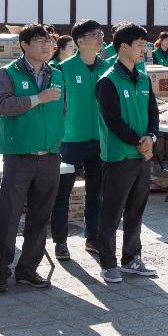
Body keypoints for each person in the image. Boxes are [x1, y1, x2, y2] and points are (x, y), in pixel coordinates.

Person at [0, 24, 64, 292]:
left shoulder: (56, 73)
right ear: (25, 45)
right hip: (20, 155)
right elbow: (3, 106)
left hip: (49, 154)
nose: (46, 46)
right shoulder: (9, 73)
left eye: (49, 41)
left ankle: (28, 269)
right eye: (40, 41)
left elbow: (62, 109)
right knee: (9, 215)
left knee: (41, 216)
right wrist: (37, 99)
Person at [94, 22, 160, 283]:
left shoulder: (143, 77)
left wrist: (151, 137)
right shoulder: (108, 80)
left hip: (141, 156)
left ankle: (132, 258)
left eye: (145, 44)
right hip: (119, 156)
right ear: (123, 47)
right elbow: (113, 120)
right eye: (140, 45)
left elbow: (153, 112)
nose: (145, 50)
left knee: (136, 210)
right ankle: (107, 262)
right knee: (112, 211)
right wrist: (139, 142)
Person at [51, 19, 108, 260]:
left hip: (100, 139)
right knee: (62, 193)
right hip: (70, 140)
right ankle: (61, 241)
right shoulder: (63, 70)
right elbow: (55, 108)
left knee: (97, 194)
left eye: (101, 33)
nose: (100, 37)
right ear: (80, 41)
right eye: (94, 34)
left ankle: (93, 239)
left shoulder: (107, 68)